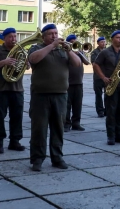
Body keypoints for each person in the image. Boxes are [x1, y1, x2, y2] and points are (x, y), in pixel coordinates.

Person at [28, 23, 81, 171]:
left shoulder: (64, 50)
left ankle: (57, 158)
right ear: (44, 36)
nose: (54, 36)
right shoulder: (37, 48)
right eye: (51, 34)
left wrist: (69, 51)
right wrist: (52, 46)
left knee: (58, 128)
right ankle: (37, 159)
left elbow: (77, 64)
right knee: (39, 129)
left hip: (61, 95)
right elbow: (34, 59)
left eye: (56, 33)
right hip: (40, 96)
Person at [93, 30, 120, 145]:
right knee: (111, 112)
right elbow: (96, 64)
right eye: (118, 37)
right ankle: (111, 136)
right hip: (111, 84)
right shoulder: (105, 52)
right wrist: (103, 77)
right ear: (112, 39)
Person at [0, 28, 26, 154]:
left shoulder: (21, 50)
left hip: (17, 89)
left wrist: (27, 63)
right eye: (11, 37)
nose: (14, 39)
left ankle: (15, 141)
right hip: (1, 89)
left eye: (15, 36)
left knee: (17, 116)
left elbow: (26, 65)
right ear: (4, 38)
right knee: (0, 116)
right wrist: (4, 62)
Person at [64, 34, 90, 132]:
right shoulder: (66, 52)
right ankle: (66, 124)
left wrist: (79, 53)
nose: (75, 43)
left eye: (75, 41)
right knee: (67, 105)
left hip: (79, 83)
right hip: (68, 83)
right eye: (72, 41)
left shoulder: (79, 52)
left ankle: (76, 123)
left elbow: (87, 62)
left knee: (77, 105)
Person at [91, 37, 107, 117]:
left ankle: (107, 110)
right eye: (101, 42)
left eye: (104, 42)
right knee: (98, 95)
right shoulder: (94, 52)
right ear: (98, 43)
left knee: (108, 94)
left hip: (107, 76)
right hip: (98, 77)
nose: (103, 43)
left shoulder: (108, 51)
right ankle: (100, 111)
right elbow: (95, 64)